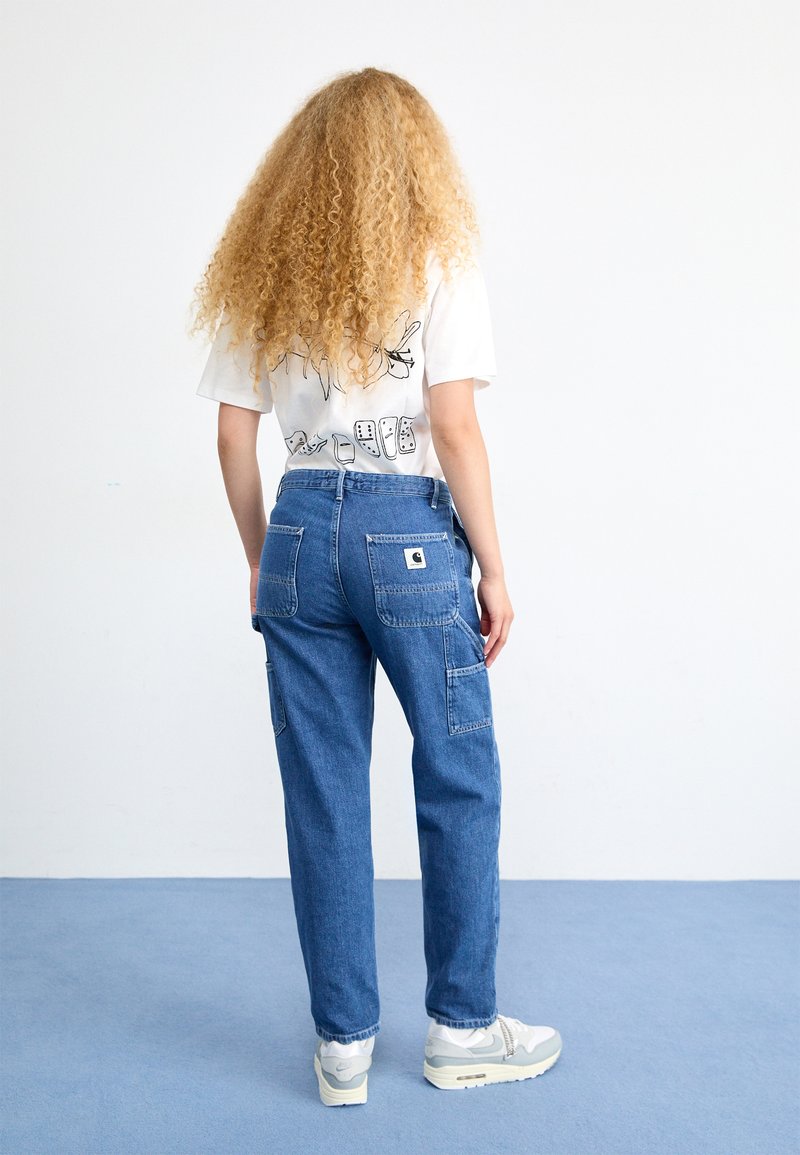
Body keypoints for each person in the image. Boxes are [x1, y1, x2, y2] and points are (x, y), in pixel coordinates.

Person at [190, 66, 561, 1107]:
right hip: (409, 535)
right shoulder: (438, 255)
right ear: (414, 162)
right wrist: (494, 565)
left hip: (300, 527)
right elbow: (453, 425)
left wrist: (261, 556)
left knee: (323, 789)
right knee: (457, 772)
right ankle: (462, 1028)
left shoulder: (264, 266)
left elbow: (232, 436)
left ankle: (342, 1047)